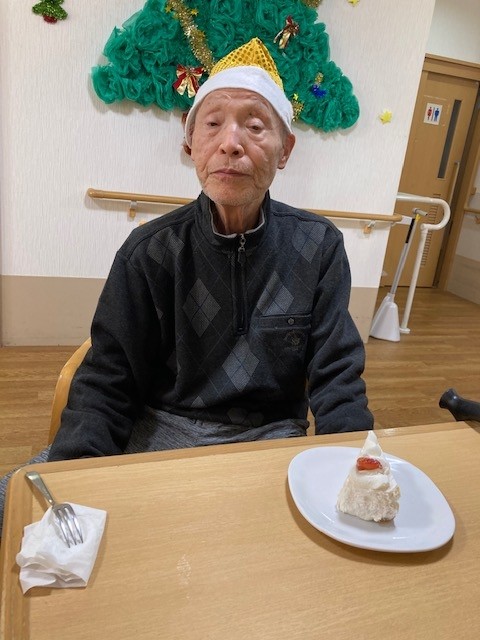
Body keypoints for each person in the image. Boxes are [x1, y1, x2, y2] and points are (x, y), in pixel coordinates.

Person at [0, 39, 373, 530]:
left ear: (285, 150)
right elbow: (108, 379)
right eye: (213, 123)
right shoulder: (149, 250)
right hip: (158, 427)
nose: (231, 142)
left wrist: (356, 469)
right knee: (16, 502)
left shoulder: (318, 246)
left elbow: (337, 376)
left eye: (255, 126)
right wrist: (76, 481)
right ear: (189, 142)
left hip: (267, 439)